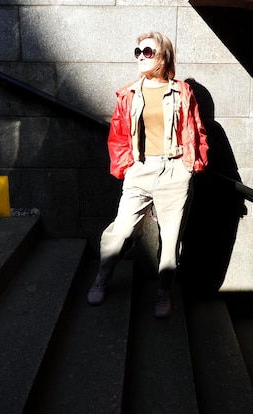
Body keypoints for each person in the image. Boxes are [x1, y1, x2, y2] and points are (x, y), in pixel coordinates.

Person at [87, 30, 209, 318]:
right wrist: (126, 167)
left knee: (170, 240)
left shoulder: (183, 92)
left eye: (148, 51)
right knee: (121, 231)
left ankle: (163, 291)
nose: (141, 56)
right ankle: (102, 275)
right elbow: (117, 135)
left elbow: (197, 129)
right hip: (140, 168)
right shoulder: (128, 93)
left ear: (163, 56)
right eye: (138, 51)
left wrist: (191, 166)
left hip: (174, 170)